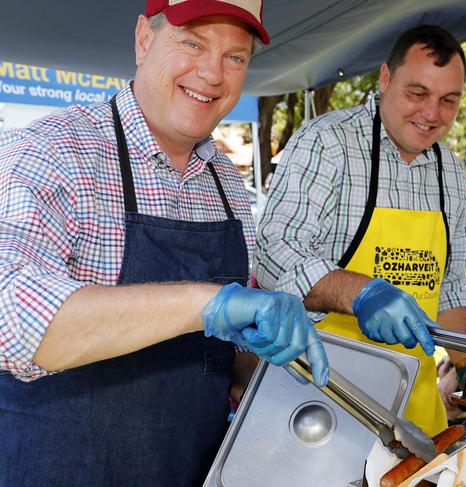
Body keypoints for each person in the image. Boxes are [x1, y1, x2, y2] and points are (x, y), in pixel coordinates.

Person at [0, 1, 329, 485]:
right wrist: (209, 302)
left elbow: (221, 362)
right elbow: (10, 318)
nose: (213, 74)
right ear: (143, 39)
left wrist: (262, 356)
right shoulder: (53, 150)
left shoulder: (226, 184)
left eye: (235, 57)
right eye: (193, 43)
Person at [254, 25, 466, 437]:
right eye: (417, 93)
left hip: (415, 418)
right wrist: (363, 293)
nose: (432, 113)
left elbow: (448, 290)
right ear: (385, 78)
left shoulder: (453, 177)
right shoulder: (328, 143)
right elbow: (273, 254)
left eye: (449, 100)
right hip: (321, 407)